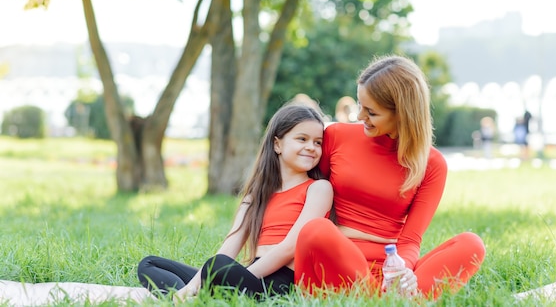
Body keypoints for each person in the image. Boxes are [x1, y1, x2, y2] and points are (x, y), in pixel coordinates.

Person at [294, 55, 486, 300]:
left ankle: (388, 299)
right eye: (359, 104)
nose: (360, 115)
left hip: (389, 273)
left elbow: (411, 240)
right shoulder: (336, 136)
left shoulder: (432, 164)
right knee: (315, 230)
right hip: (334, 263)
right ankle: (394, 303)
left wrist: (403, 271)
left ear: (402, 114)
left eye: (371, 112)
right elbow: (300, 197)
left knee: (471, 245)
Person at [137, 103, 333, 301]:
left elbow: (290, 247)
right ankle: (189, 297)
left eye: (318, 142)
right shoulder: (255, 197)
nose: (311, 147)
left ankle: (195, 297)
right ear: (277, 144)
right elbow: (230, 246)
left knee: (218, 266)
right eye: (302, 139)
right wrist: (196, 283)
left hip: (280, 286)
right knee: (149, 264)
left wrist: (237, 275)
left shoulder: (318, 188)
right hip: (249, 276)